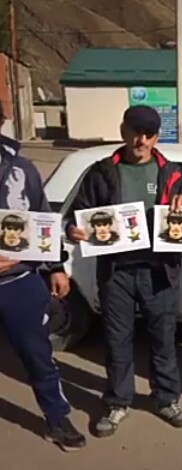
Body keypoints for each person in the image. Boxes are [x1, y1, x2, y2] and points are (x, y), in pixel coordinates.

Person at [65, 105, 182, 437]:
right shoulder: (102, 172)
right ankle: (118, 402)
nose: (142, 140)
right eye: (136, 132)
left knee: (163, 339)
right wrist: (72, 229)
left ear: (156, 137)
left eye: (149, 134)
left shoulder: (173, 173)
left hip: (160, 272)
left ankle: (166, 399)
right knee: (117, 340)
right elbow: (75, 214)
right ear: (123, 131)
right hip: (116, 273)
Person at [0, 101, 86, 451]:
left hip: (19, 282)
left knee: (39, 356)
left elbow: (42, 219)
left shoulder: (21, 169)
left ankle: (57, 419)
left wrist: (56, 267)